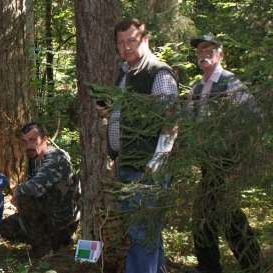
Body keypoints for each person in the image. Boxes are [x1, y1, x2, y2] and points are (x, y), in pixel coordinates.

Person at [102, 18, 178, 273]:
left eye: (131, 41)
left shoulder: (158, 74)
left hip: (147, 170)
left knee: (141, 234)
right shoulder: (125, 73)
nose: (126, 47)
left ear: (145, 40)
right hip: (128, 165)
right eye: (120, 43)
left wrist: (155, 165)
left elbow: (170, 124)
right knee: (147, 236)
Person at [187, 33, 262, 273]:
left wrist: (239, 158)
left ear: (220, 55)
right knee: (217, 215)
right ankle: (244, 265)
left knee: (217, 216)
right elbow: (190, 123)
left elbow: (254, 119)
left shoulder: (230, 83)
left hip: (228, 162)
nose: (203, 54)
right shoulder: (197, 88)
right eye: (200, 51)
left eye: (209, 50)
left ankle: (250, 265)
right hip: (208, 164)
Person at [0, 122, 77, 256]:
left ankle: (44, 248)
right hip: (48, 215)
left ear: (45, 139)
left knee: (25, 196)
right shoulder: (35, 159)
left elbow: (34, 188)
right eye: (24, 141)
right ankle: (53, 243)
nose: (28, 145)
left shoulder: (56, 157)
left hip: (63, 221)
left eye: (33, 140)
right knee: (6, 227)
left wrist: (17, 192)